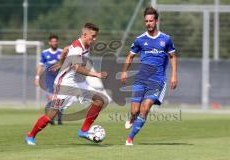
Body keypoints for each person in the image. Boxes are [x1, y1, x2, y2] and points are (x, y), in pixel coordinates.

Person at [26, 22, 108, 145]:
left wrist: (60, 63)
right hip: (65, 84)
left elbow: (64, 50)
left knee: (99, 101)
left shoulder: (83, 44)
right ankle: (30, 136)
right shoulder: (77, 48)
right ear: (85, 35)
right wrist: (96, 74)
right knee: (51, 114)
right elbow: (76, 68)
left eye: (96, 36)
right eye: (93, 36)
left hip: (77, 82)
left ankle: (84, 131)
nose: (95, 39)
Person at [121, 7, 178, 146]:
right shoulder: (140, 40)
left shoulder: (166, 39)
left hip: (157, 81)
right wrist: (124, 71)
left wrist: (174, 75)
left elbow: (172, 56)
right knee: (135, 110)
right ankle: (132, 117)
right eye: (146, 21)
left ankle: (130, 138)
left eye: (151, 21)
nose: (148, 23)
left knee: (145, 108)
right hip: (141, 79)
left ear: (156, 21)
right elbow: (130, 56)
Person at [34, 34, 63, 125]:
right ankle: (51, 118)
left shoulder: (62, 52)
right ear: (49, 42)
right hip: (49, 79)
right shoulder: (45, 53)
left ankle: (60, 117)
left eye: (55, 41)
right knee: (51, 98)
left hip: (60, 79)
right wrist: (37, 77)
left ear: (57, 42)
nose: (54, 43)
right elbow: (40, 66)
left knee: (61, 98)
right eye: (52, 41)